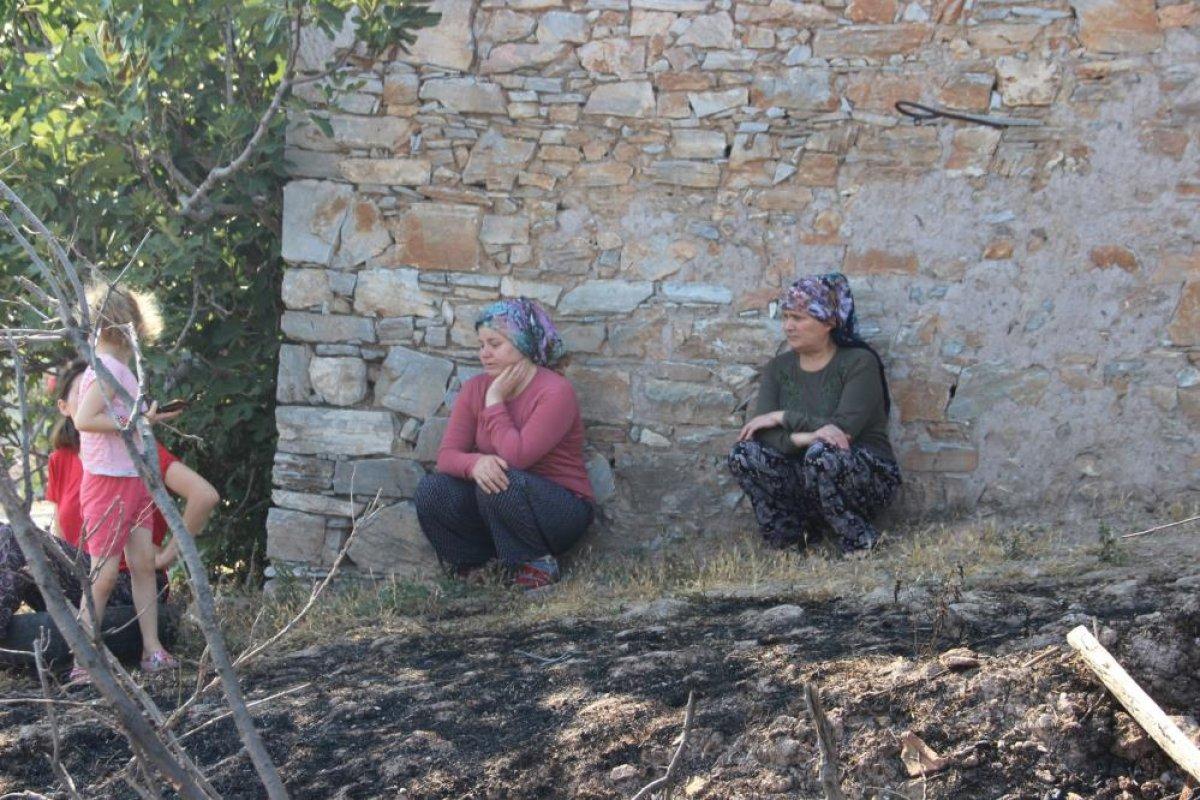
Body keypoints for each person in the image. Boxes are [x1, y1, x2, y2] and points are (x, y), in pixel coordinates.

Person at [414, 298, 594, 593]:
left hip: (560, 510)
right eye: (481, 344)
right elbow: (447, 457)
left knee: (501, 478)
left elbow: (517, 457)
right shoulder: (475, 388)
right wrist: (474, 464)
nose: (484, 354)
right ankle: (477, 569)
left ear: (521, 343)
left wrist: (495, 401)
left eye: (494, 344)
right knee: (432, 490)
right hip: (498, 505)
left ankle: (534, 564)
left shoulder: (555, 391)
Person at [728, 273, 901, 556]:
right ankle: (791, 541)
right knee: (744, 454)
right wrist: (808, 435)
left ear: (829, 322)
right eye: (785, 317)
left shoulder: (860, 363)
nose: (788, 327)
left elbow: (843, 432)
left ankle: (859, 541)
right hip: (806, 477)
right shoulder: (778, 369)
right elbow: (763, 435)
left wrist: (783, 416)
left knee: (823, 453)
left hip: (865, 476)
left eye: (798, 318)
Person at [69, 284, 184, 679]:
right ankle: (82, 661)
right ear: (124, 325)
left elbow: (122, 419)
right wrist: (133, 421)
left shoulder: (118, 368)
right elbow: (84, 420)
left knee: (142, 567)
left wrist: (147, 419)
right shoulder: (106, 368)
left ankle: (152, 649)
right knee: (103, 575)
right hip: (107, 482)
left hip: (132, 478)